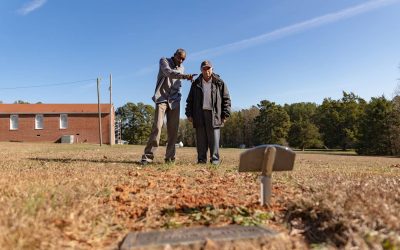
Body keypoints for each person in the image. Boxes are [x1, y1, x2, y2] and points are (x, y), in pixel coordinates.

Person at [141, 48, 195, 165]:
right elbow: (168, 72)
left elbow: (178, 84)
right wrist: (185, 76)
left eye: (183, 59)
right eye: (179, 57)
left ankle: (170, 158)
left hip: (175, 101)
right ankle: (147, 157)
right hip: (162, 99)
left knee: (173, 131)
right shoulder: (164, 61)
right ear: (174, 55)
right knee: (157, 127)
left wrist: (179, 93)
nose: (181, 61)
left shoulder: (182, 68)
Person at [185, 60, 231, 164]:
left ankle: (215, 160)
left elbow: (226, 99)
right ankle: (201, 160)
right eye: (204, 69)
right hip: (199, 114)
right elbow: (190, 100)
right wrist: (189, 113)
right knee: (201, 139)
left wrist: (225, 114)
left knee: (214, 139)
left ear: (212, 69)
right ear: (201, 70)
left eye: (208, 68)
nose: (206, 71)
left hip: (214, 114)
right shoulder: (196, 83)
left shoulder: (219, 82)